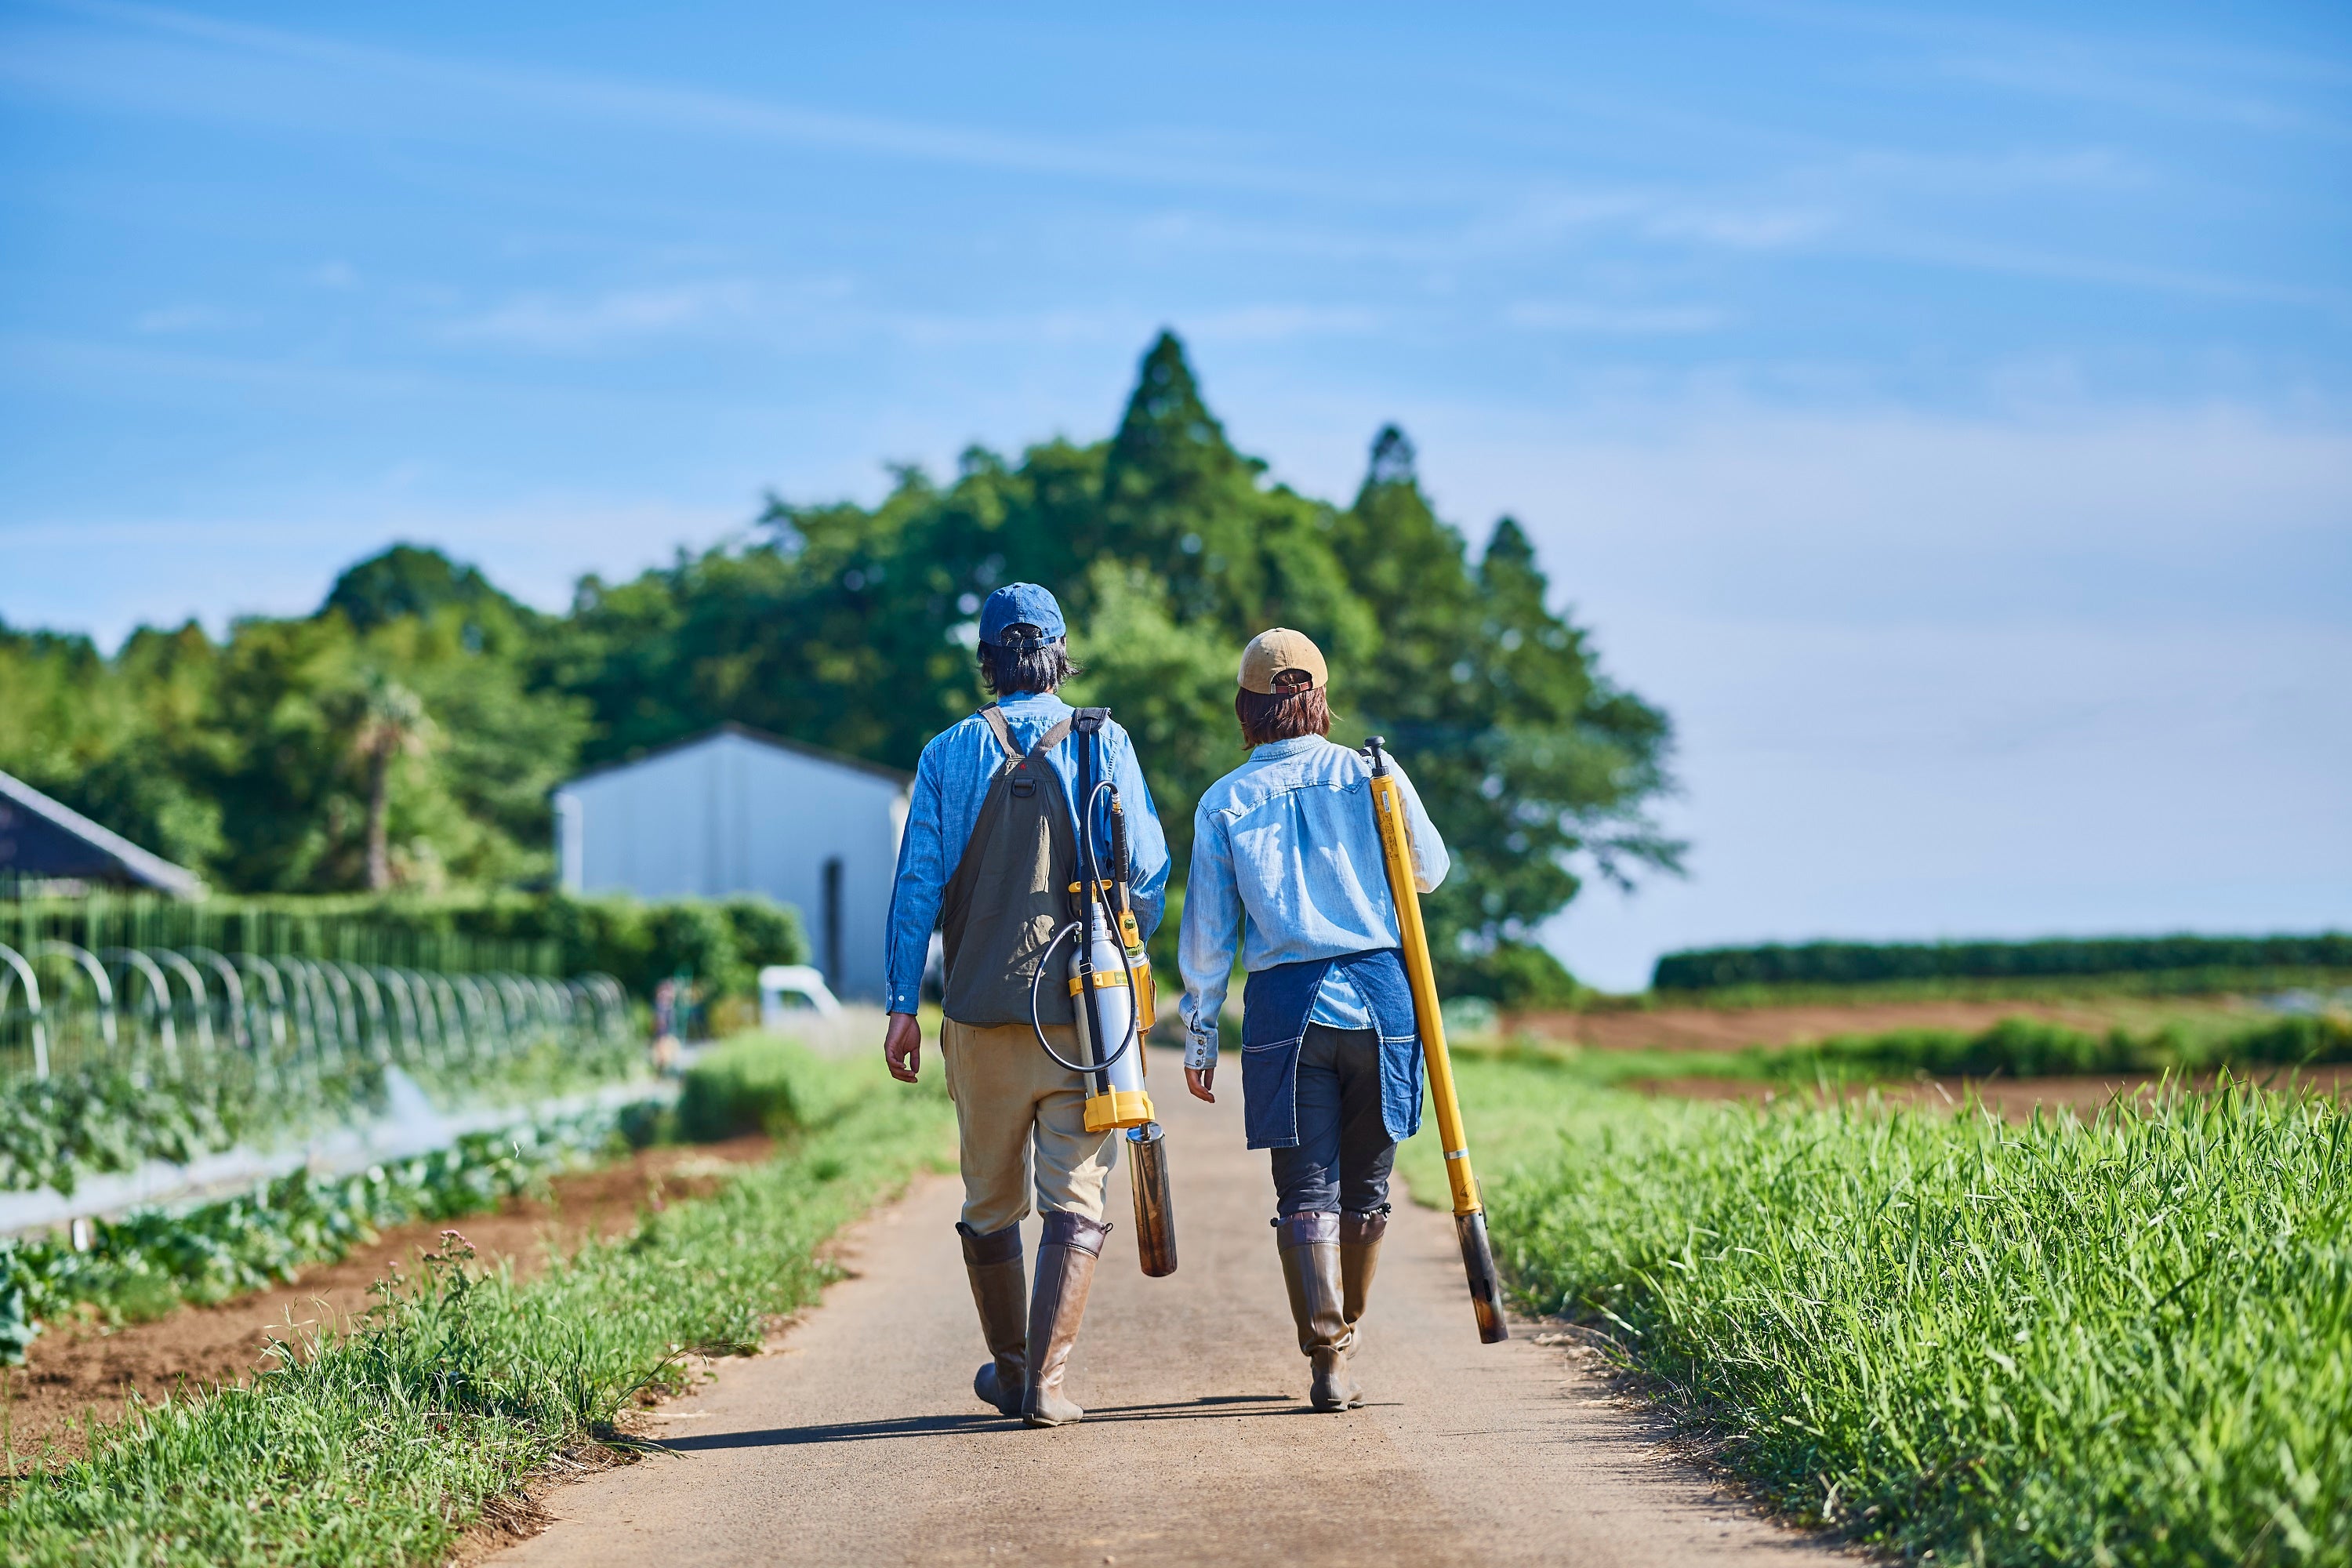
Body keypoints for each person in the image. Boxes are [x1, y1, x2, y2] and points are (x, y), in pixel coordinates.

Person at [880, 583, 1169, 1427]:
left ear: (987, 660)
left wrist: (902, 1002)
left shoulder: (947, 752)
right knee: (1076, 1194)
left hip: (978, 1012)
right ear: (1059, 654)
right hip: (1085, 1016)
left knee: (988, 1200)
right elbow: (1147, 869)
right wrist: (1124, 943)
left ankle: (1011, 1371)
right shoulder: (1104, 740)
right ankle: (1045, 1382)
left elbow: (917, 887)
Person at [1177, 628, 1448, 1412]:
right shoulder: (1372, 773)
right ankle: (1345, 1331)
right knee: (1366, 1187)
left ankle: (1328, 1354)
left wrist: (1200, 1031)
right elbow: (1430, 870)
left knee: (1306, 1189)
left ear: (1247, 706)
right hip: (1380, 1001)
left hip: (1284, 1009)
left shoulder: (1225, 800)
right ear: (1320, 699)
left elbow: (1210, 931)